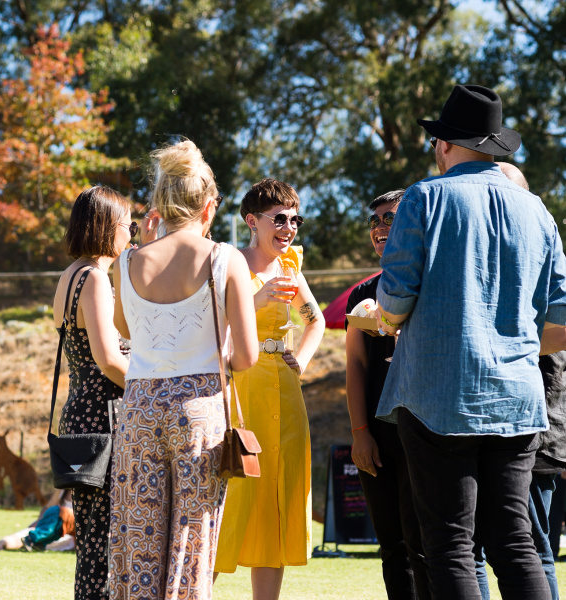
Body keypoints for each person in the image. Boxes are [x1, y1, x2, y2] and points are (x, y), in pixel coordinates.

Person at [373, 84, 566, 599]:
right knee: (516, 542)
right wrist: (512, 348)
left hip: (439, 396)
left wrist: (384, 319)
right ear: (495, 146)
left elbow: (395, 300)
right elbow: (562, 321)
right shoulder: (538, 211)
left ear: (443, 144)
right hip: (518, 397)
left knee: (450, 545)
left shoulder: (424, 197)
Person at [108, 139, 259, 600]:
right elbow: (247, 356)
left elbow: (124, 328)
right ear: (208, 206)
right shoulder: (225, 258)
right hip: (198, 408)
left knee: (138, 536)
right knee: (192, 541)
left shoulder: (128, 261)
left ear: (159, 204)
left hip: (139, 406)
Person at [214, 178, 325, 600]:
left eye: (295, 220)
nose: (288, 228)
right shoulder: (230, 262)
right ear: (251, 221)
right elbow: (212, 324)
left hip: (285, 391)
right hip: (241, 388)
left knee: (276, 497)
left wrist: (303, 361)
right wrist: (256, 301)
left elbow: (314, 320)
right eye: (279, 219)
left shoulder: (290, 266)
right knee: (234, 494)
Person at [471, 163, 566, 600]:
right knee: (486, 547)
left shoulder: (538, 259)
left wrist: (500, 341)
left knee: (528, 546)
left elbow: (558, 336)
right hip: (508, 423)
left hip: (534, 432)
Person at [344, 189, 430, 600]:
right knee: (392, 548)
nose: (380, 226)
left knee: (426, 546)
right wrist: (360, 432)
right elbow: (356, 366)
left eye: (390, 218)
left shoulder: (434, 285)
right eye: (374, 220)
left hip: (426, 429)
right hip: (377, 436)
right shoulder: (362, 294)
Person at [52, 185, 133, 600]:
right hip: (105, 417)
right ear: (106, 227)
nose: (131, 234)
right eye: (127, 225)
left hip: (80, 412)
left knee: (93, 542)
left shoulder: (71, 275)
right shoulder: (95, 279)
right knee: (106, 543)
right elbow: (109, 360)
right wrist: (154, 388)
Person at [0, 489, 76, 552]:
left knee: (58, 515)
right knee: (33, 531)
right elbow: (48, 507)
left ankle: (31, 541)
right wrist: (39, 521)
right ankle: (2, 543)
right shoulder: (63, 488)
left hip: (71, 533)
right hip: (52, 524)